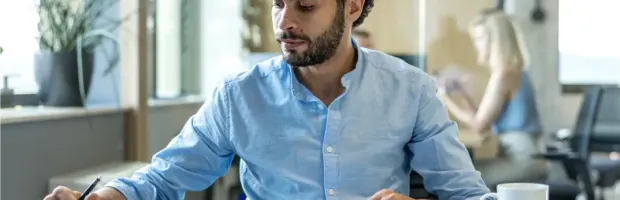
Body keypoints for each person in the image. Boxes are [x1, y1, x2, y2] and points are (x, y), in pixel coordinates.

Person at [44, 0, 490, 200]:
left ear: (353, 6)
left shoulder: (410, 90)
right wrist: (106, 198)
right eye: (278, 4)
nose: (285, 22)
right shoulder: (239, 96)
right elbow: (163, 179)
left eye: (305, 6)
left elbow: (469, 196)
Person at [437, 9, 548, 187]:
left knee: (456, 179)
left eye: (479, 39)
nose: (476, 45)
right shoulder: (513, 71)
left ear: (496, 40)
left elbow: (479, 126)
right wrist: (464, 93)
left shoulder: (503, 75)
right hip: (525, 156)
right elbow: (484, 120)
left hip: (522, 161)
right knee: (460, 173)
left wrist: (443, 97)